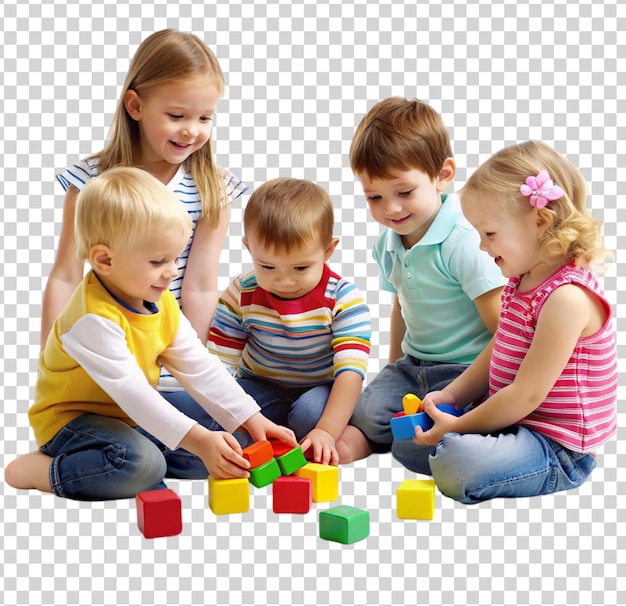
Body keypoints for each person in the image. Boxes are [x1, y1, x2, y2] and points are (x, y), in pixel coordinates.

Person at [4, 168, 295, 501]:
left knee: (236, 444)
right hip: (74, 423)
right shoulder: (93, 319)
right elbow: (134, 394)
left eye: (174, 258)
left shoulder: (160, 300)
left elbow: (199, 367)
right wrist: (198, 441)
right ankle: (41, 470)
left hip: (130, 418)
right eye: (159, 261)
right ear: (105, 260)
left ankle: (133, 463)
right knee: (143, 463)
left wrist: (250, 418)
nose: (172, 272)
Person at [401, 140, 617, 504]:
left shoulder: (567, 298)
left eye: (490, 234)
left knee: (456, 463)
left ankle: (462, 447)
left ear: (540, 221)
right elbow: (499, 345)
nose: (483, 248)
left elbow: (527, 393)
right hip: (514, 422)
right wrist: (454, 395)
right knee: (407, 444)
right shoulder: (522, 279)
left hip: (556, 447)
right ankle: (462, 442)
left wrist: (458, 426)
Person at [43, 28, 246, 393]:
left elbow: (199, 286)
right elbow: (66, 275)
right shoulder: (91, 180)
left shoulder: (211, 187)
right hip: (106, 347)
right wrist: (52, 359)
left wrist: (190, 373)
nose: (191, 131)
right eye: (177, 115)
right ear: (135, 106)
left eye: (204, 118)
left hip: (172, 347)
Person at [339, 97, 507, 463]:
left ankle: (466, 440)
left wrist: (477, 386)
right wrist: (393, 365)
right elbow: (400, 304)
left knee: (423, 438)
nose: (391, 209)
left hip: (466, 369)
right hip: (414, 365)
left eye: (404, 192)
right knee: (366, 413)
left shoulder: (464, 241)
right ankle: (383, 440)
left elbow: (504, 329)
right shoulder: (388, 243)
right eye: (374, 196)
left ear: (443, 175)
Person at [208, 178, 372, 465]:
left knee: (310, 414)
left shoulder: (343, 298)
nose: (284, 280)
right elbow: (219, 366)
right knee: (223, 411)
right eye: (267, 266)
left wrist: (326, 432)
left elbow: (350, 373)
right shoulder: (241, 293)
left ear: (328, 250)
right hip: (260, 387)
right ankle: (274, 437)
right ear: (249, 249)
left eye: (300, 267)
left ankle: (337, 435)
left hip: (320, 391)